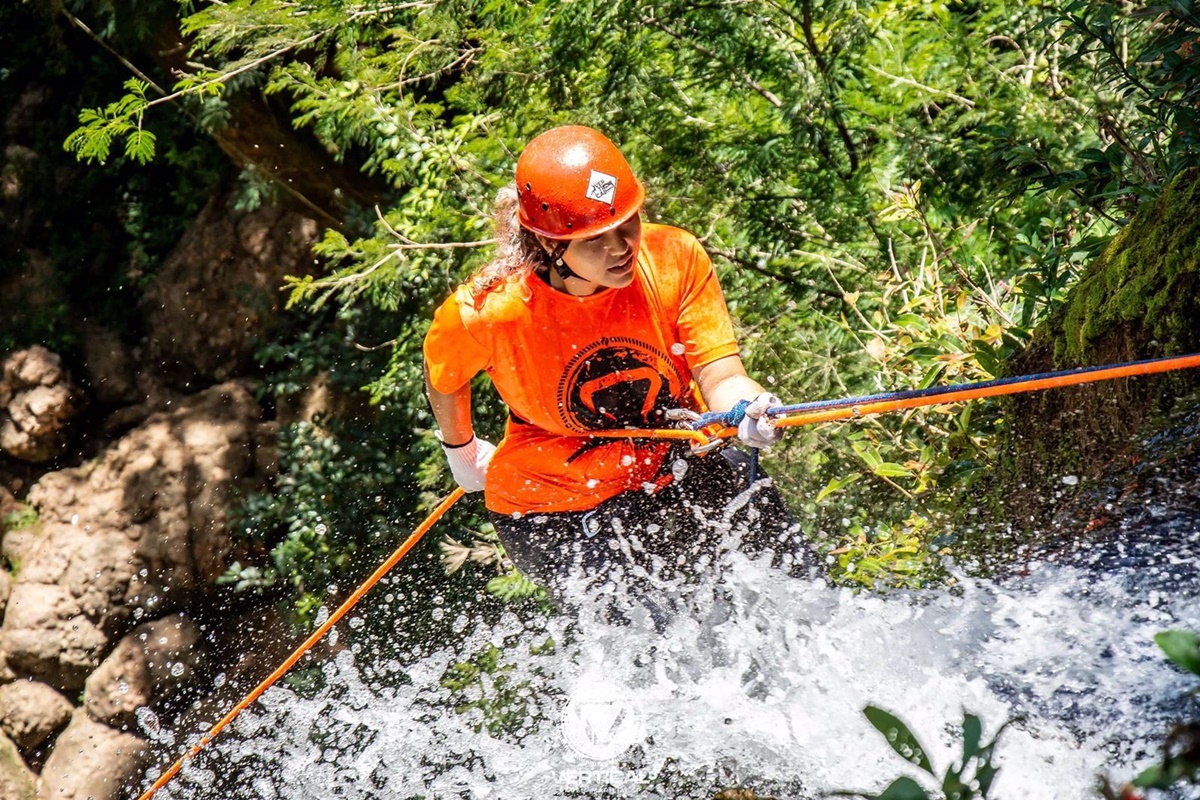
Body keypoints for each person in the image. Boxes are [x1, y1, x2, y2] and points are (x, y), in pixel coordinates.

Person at [423, 125, 814, 611]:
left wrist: (746, 409)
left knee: (797, 586)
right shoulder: (488, 311)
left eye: (628, 223)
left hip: (674, 457)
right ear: (548, 244)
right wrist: (461, 453)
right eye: (596, 239)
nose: (622, 245)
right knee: (660, 633)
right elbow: (444, 377)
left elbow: (719, 374)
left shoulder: (674, 259)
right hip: (553, 502)